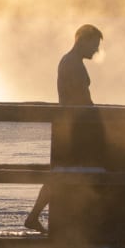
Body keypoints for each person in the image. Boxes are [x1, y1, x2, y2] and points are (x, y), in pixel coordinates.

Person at [25, 24, 103, 233]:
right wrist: (98, 119)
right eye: (94, 45)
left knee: (62, 174)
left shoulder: (71, 62)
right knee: (66, 175)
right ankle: (44, 218)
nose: (96, 51)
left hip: (71, 127)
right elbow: (82, 101)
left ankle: (40, 217)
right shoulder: (73, 65)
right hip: (73, 129)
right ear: (83, 41)